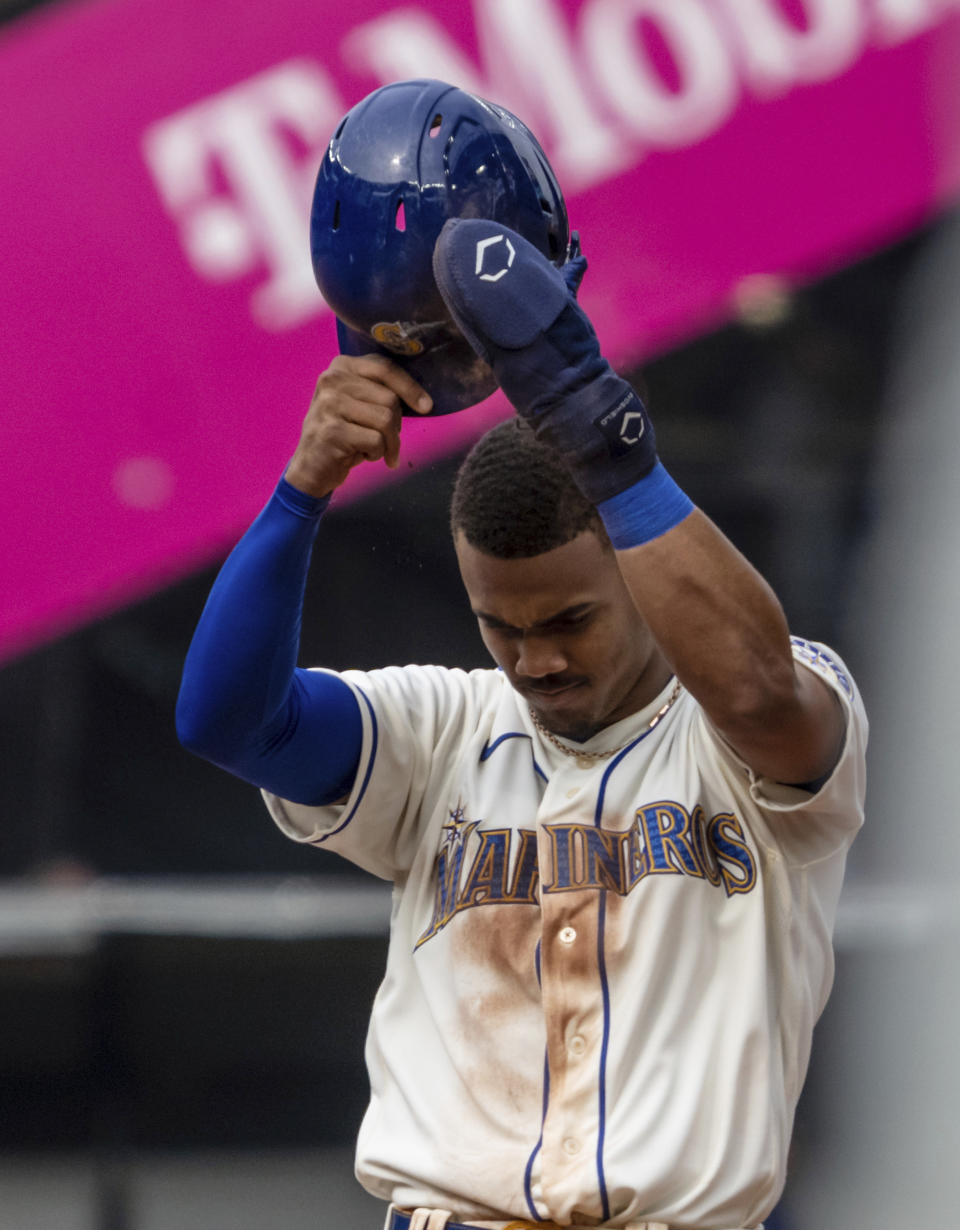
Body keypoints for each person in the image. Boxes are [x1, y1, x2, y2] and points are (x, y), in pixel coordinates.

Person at [176, 80, 866, 1230]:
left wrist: (594, 424)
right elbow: (227, 720)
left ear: (639, 577)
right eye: (504, 627)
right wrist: (301, 492)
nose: (533, 659)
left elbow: (754, 688)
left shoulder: (757, 726)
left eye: (568, 622)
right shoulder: (447, 728)